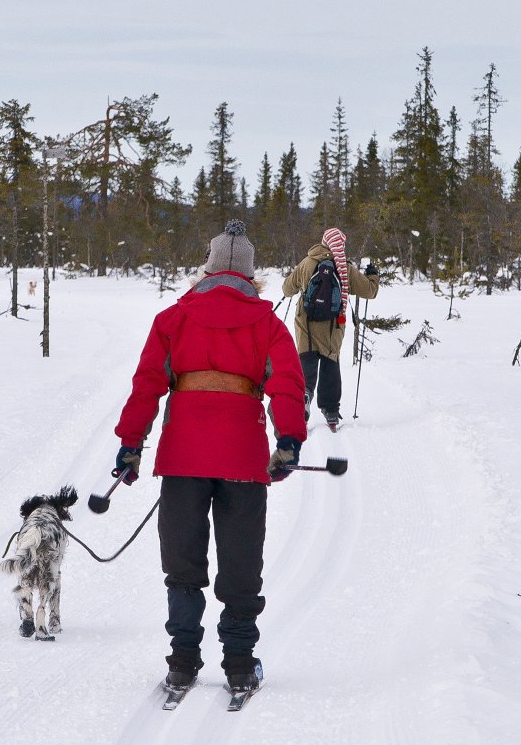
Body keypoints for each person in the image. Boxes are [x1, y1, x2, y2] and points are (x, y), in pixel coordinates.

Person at [112, 220, 308, 693]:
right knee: (241, 563)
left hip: (183, 459)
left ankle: (182, 661)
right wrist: (288, 441)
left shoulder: (172, 319)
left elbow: (146, 386)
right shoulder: (268, 324)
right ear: (249, 274)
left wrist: (131, 444)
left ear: (208, 267)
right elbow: (286, 384)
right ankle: (240, 664)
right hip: (243, 460)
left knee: (182, 562)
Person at [280, 227, 380, 431]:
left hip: (306, 323)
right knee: (329, 363)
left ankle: (304, 397)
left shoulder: (307, 263)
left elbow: (286, 289)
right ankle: (331, 411)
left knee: (306, 362)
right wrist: (373, 276)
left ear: (323, 242)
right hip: (333, 326)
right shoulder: (345, 268)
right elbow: (370, 292)